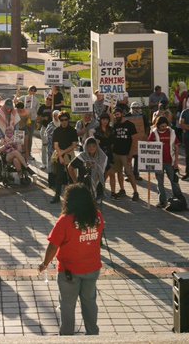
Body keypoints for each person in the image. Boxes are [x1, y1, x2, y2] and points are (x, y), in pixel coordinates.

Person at [39, 184, 104, 336]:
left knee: (67, 306)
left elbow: (53, 246)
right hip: (92, 268)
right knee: (89, 302)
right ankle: (93, 334)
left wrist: (45, 263)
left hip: (69, 271)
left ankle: (67, 336)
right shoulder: (97, 216)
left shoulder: (65, 220)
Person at [148, 115, 182, 208]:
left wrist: (176, 162)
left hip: (170, 161)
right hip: (158, 162)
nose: (164, 128)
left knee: (174, 181)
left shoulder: (172, 132)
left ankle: (178, 199)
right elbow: (149, 146)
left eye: (165, 126)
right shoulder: (154, 133)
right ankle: (162, 201)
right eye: (162, 126)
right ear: (158, 125)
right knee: (160, 182)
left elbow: (176, 147)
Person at [108, 109, 139, 201]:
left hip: (126, 154)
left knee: (129, 173)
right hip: (116, 153)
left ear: (122, 114)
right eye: (115, 115)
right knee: (118, 172)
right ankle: (122, 189)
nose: (116, 116)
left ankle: (135, 192)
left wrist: (131, 153)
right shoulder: (115, 125)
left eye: (118, 114)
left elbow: (134, 140)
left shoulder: (130, 124)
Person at [49, 113, 79, 204]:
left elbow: (74, 145)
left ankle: (72, 196)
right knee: (59, 176)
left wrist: (63, 152)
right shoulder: (57, 130)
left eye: (66, 119)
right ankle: (57, 196)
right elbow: (55, 145)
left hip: (69, 154)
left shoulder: (73, 130)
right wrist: (61, 156)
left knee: (71, 176)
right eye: (62, 120)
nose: (64, 121)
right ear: (59, 121)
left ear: (68, 119)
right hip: (59, 154)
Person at [68, 138, 108, 202]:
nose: (91, 148)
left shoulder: (102, 157)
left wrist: (102, 179)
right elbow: (70, 167)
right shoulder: (82, 157)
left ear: (97, 146)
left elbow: (106, 171)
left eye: (94, 146)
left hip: (98, 188)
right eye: (89, 146)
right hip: (83, 187)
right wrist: (75, 182)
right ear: (86, 147)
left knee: (96, 208)